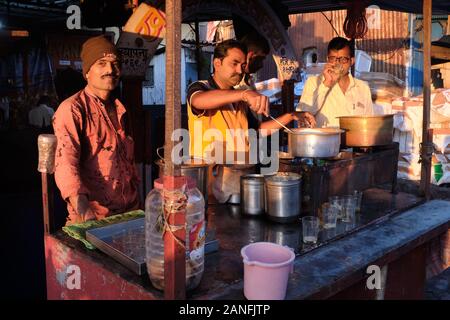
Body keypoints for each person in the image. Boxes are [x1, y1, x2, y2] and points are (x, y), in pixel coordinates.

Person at [52, 35, 139, 225]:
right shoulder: (73, 109)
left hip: (129, 215)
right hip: (93, 219)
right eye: (101, 63)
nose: (110, 70)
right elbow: (66, 164)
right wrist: (85, 213)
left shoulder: (121, 110)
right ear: (87, 72)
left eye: (115, 64)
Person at [236, 32, 315, 130]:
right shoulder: (235, 86)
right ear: (250, 55)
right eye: (260, 59)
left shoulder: (247, 81)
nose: (261, 65)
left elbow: (258, 129)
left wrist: (291, 116)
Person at [297, 37, 374, 128]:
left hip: (354, 141)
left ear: (351, 61)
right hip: (324, 141)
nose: (337, 64)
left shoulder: (362, 88)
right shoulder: (313, 83)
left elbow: (369, 123)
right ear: (327, 59)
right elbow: (302, 116)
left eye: (343, 59)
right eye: (333, 58)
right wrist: (326, 84)